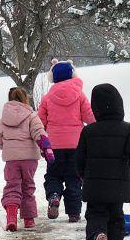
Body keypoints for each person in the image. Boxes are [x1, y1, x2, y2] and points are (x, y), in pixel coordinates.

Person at [76, 83, 130, 240]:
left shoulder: (88, 131)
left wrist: (81, 175)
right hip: (118, 184)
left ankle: (97, 235)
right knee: (116, 215)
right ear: (119, 105)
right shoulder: (128, 129)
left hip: (95, 184)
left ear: (95, 108)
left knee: (95, 213)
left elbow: (80, 157)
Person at [38, 59, 96, 222]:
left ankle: (54, 195)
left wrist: (41, 139)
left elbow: (40, 122)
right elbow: (89, 117)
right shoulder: (79, 95)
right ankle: (74, 213)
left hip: (54, 145)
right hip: (76, 145)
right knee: (74, 178)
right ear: (72, 75)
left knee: (54, 175)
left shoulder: (48, 97)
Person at [0, 87, 54, 231]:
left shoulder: (2, 120)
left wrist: (6, 146)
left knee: (12, 186)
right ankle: (29, 220)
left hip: (11, 160)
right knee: (27, 187)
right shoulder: (32, 116)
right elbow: (39, 133)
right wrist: (47, 148)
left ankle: (11, 217)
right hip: (29, 160)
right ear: (25, 99)